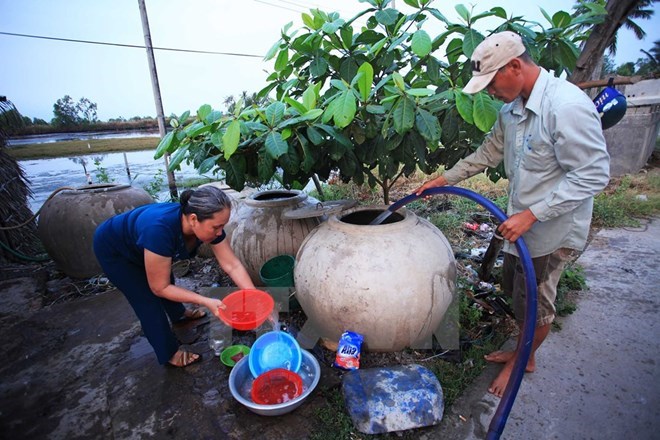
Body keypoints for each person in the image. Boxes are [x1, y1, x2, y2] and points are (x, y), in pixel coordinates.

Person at [416, 31, 610, 397]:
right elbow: (486, 154)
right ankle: (523, 352)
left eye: (491, 82)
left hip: (551, 230)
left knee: (536, 303)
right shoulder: (512, 110)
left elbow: (594, 174)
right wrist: (442, 179)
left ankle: (523, 363)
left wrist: (533, 215)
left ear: (515, 66)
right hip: (521, 225)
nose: (489, 92)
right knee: (518, 293)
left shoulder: (565, 107)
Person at [93, 186, 255, 367]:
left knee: (165, 277)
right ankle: (169, 353)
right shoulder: (160, 230)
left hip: (146, 244)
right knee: (147, 300)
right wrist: (205, 301)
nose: (220, 233)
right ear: (194, 219)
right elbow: (159, 288)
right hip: (115, 249)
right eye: (216, 227)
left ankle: (179, 314)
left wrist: (254, 295)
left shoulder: (203, 224)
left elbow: (231, 264)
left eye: (222, 226)